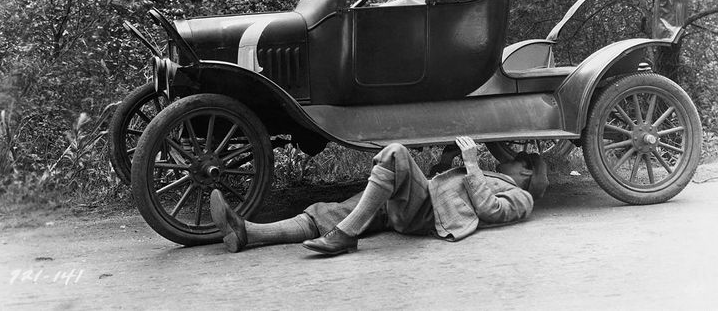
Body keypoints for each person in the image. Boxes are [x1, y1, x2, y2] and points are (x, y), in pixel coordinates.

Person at [210, 136, 548, 257]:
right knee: (330, 212)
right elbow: (458, 188)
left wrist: (471, 164)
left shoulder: (521, 196)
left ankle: (346, 235)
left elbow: (491, 211)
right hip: (418, 202)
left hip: (427, 213)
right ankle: (247, 232)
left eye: (520, 156)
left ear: (528, 170)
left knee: (395, 154)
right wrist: (447, 165)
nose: (512, 154)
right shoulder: (497, 176)